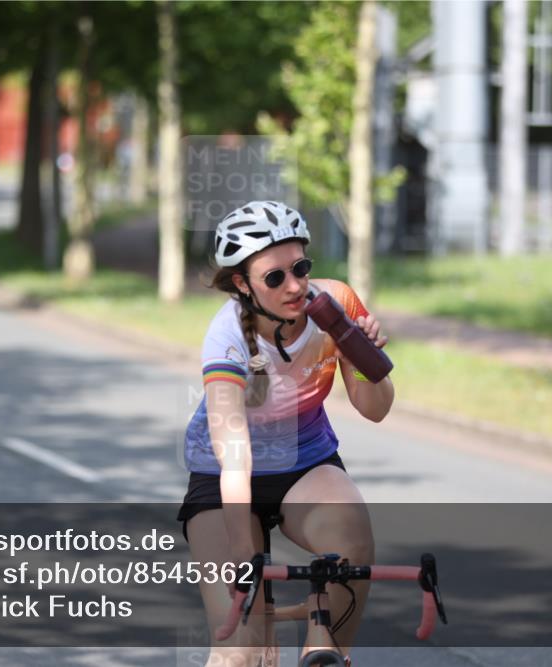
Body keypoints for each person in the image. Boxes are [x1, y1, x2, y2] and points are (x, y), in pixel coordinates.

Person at [177, 200, 394, 665]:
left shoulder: (333, 302)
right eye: (275, 277)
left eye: (301, 268)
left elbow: (375, 411)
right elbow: (235, 458)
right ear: (242, 284)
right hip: (225, 478)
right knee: (242, 649)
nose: (295, 286)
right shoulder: (227, 337)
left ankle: (329, 654)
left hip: (305, 462)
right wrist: (244, 560)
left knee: (352, 537)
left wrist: (365, 358)